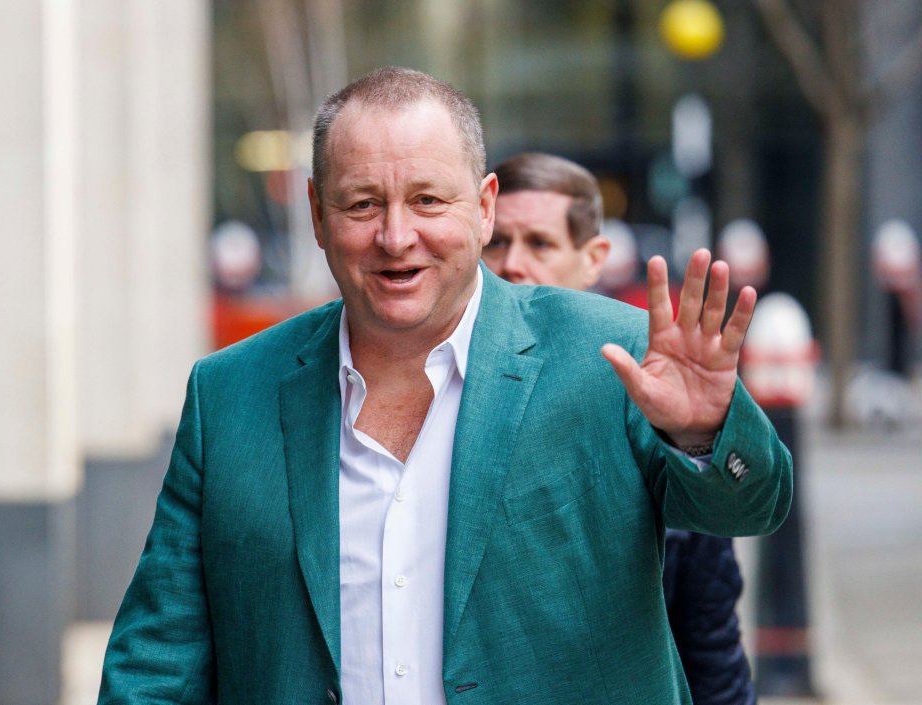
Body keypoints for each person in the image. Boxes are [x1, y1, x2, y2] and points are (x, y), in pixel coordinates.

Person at [98, 67, 791, 705]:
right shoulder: (230, 395)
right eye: (362, 204)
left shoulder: (611, 357)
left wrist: (706, 430)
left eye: (428, 200)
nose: (396, 236)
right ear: (316, 214)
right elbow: (157, 660)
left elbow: (752, 503)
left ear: (484, 207)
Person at [483, 151, 757, 705]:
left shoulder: (652, 402)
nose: (513, 264)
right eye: (496, 242)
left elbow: (709, 646)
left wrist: (700, 436)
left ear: (593, 259)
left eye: (539, 243)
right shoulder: (436, 395)